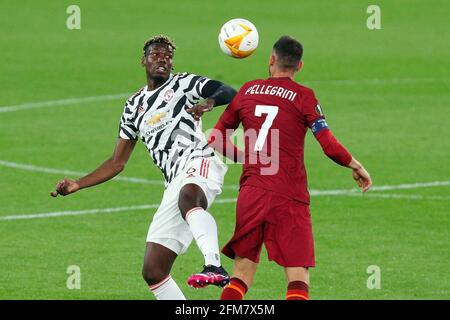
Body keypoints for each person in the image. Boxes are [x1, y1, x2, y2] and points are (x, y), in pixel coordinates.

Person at [50, 35, 237, 299]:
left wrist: (207, 103)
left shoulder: (183, 83)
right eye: (156, 55)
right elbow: (117, 161)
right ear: (144, 60)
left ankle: (213, 265)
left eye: (167, 56)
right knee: (153, 271)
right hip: (173, 179)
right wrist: (79, 183)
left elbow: (228, 91)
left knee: (189, 195)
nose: (162, 60)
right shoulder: (133, 106)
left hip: (200, 159)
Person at [207, 35, 372, 300]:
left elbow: (214, 138)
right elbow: (328, 144)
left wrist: (246, 157)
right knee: (297, 276)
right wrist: (355, 164)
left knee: (241, 272)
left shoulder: (248, 90)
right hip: (289, 195)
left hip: (252, 193)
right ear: (300, 66)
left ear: (271, 59)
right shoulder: (304, 96)